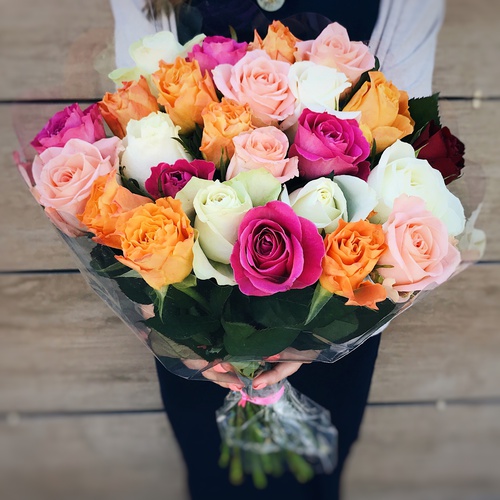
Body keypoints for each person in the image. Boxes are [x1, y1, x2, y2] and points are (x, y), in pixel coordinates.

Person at [108, 1, 446, 498]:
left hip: (337, 312)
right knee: (209, 470)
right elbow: (132, 133)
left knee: (319, 472)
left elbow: (403, 138)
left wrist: (316, 336)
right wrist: (157, 294)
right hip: (198, 331)